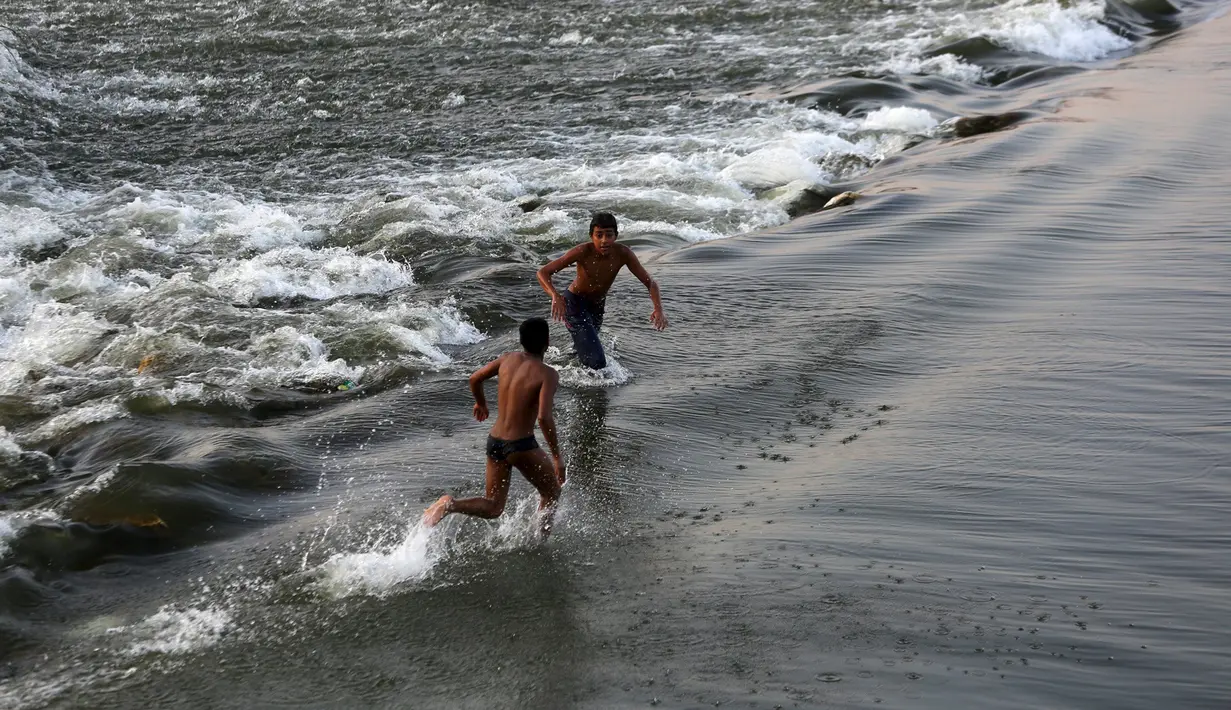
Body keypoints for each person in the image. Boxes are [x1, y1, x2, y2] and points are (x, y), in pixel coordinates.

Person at [422, 318, 566, 536]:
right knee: (552, 492)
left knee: (494, 506)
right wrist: (557, 457)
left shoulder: (507, 359)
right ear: (547, 341)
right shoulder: (548, 374)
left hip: (495, 442)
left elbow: (474, 379)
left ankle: (450, 504)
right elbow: (544, 417)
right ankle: (539, 543)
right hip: (521, 446)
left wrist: (480, 403)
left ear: (521, 341)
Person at [536, 212, 667, 370]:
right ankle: (581, 386)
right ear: (591, 236)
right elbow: (543, 272)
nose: (604, 241)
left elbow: (650, 283)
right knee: (597, 362)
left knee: (585, 351)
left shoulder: (623, 254)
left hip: (597, 307)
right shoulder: (582, 251)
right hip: (574, 304)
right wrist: (555, 296)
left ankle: (565, 372)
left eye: (609, 235)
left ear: (616, 236)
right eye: (599, 235)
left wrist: (658, 309)